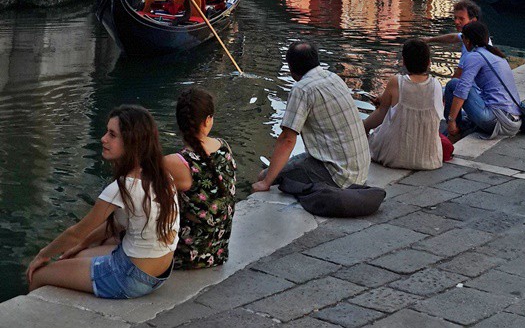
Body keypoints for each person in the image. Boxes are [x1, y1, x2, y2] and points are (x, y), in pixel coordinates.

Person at [27, 105, 179, 300]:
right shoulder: (162, 176)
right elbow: (115, 225)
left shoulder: (123, 187)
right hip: (160, 273)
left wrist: (42, 254)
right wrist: (82, 245)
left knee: (37, 276)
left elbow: (76, 232)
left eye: (112, 135)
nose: (103, 139)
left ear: (132, 142)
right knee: (78, 254)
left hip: (129, 278)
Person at [252, 41, 370, 192]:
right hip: (359, 170)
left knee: (263, 176)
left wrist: (266, 182)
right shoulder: (333, 77)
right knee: (292, 163)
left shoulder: (302, 89)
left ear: (291, 67)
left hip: (339, 176)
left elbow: (287, 139)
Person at [164, 89, 236, 269]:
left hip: (186, 255)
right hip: (218, 251)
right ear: (207, 120)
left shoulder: (174, 162)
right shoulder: (224, 146)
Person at [365, 40, 444, 170]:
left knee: (371, 129)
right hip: (430, 159)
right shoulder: (436, 85)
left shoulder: (397, 81)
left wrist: (364, 127)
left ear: (404, 61)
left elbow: (381, 114)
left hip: (394, 157)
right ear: (429, 62)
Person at [444, 21, 522, 139]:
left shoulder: (474, 56)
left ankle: (454, 129)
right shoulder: (495, 54)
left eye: (463, 38)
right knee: (469, 85)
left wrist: (451, 120)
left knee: (453, 84)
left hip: (499, 120)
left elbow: (462, 91)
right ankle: (462, 124)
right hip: (514, 118)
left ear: (468, 40)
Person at [425, 0, 483, 76]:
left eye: (461, 19)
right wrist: (429, 40)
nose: (456, 22)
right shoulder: (477, 35)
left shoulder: (469, 46)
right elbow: (453, 37)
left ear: (473, 21)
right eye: (455, 18)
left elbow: (458, 76)